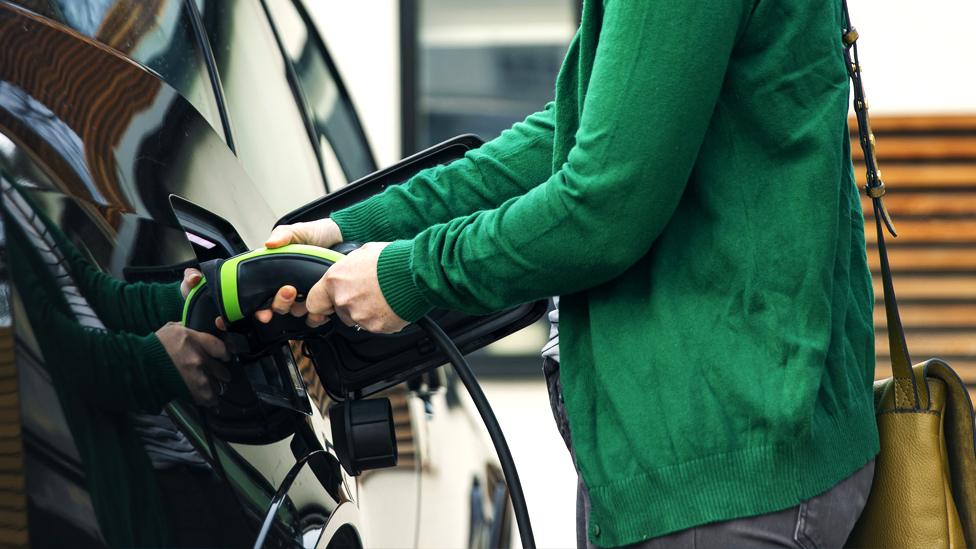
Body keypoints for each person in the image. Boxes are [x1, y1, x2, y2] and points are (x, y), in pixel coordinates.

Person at [260, 1, 879, 547]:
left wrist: (411, 275)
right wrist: (351, 225)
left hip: (722, 472)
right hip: (708, 450)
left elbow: (604, 207)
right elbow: (574, 137)